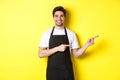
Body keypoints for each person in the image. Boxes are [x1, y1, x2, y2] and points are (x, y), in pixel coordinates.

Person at [38, 6, 98, 80]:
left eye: (61, 16)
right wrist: (58, 48)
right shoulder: (46, 33)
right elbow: (40, 54)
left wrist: (87, 45)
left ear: (65, 17)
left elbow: (76, 54)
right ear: (53, 17)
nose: (59, 19)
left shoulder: (71, 34)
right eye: (56, 16)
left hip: (67, 72)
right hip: (52, 73)